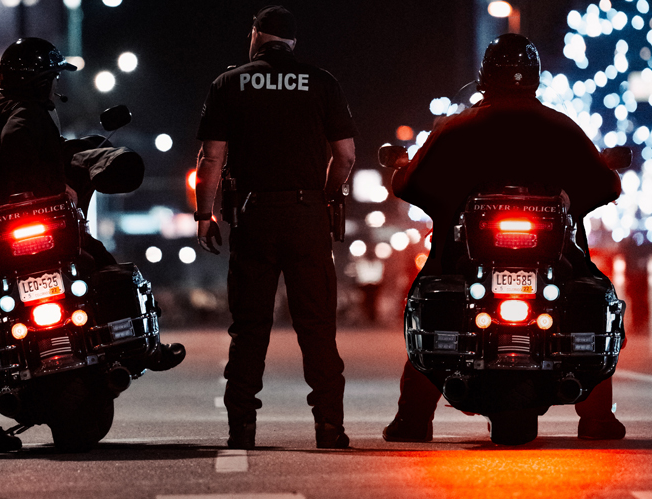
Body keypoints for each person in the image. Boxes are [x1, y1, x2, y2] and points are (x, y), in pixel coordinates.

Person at [0, 38, 182, 453]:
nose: (54, 86)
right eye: (52, 77)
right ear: (41, 79)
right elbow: (29, 161)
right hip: (38, 227)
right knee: (98, 260)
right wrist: (58, 189)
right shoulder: (31, 115)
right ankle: (144, 347)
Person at [383, 33, 626, 443]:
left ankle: (413, 418)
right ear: (534, 77)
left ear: (484, 76)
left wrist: (404, 169)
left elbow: (411, 185)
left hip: (460, 257)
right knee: (593, 294)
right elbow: (605, 185)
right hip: (556, 260)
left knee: (430, 296)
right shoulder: (561, 126)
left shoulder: (455, 128)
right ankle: (598, 419)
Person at [194, 5, 357, 449]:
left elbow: (212, 157)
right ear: (293, 42)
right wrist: (324, 196)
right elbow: (345, 156)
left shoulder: (229, 83)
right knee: (317, 326)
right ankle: (329, 427)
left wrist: (204, 214)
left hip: (254, 217)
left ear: (256, 35)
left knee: (249, 328)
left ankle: (241, 428)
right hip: (307, 217)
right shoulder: (322, 82)